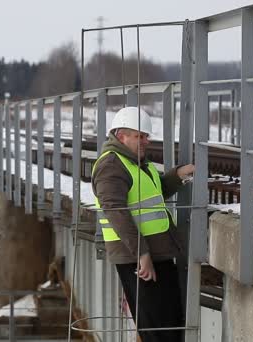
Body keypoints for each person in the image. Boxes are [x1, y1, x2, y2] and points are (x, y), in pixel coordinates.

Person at [91, 106, 195, 342]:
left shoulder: (137, 162)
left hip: (156, 253)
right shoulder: (111, 166)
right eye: (139, 136)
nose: (146, 141)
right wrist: (142, 253)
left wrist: (179, 175)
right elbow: (116, 212)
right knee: (157, 331)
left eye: (146, 136)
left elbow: (156, 191)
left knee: (169, 325)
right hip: (139, 258)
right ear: (121, 136)